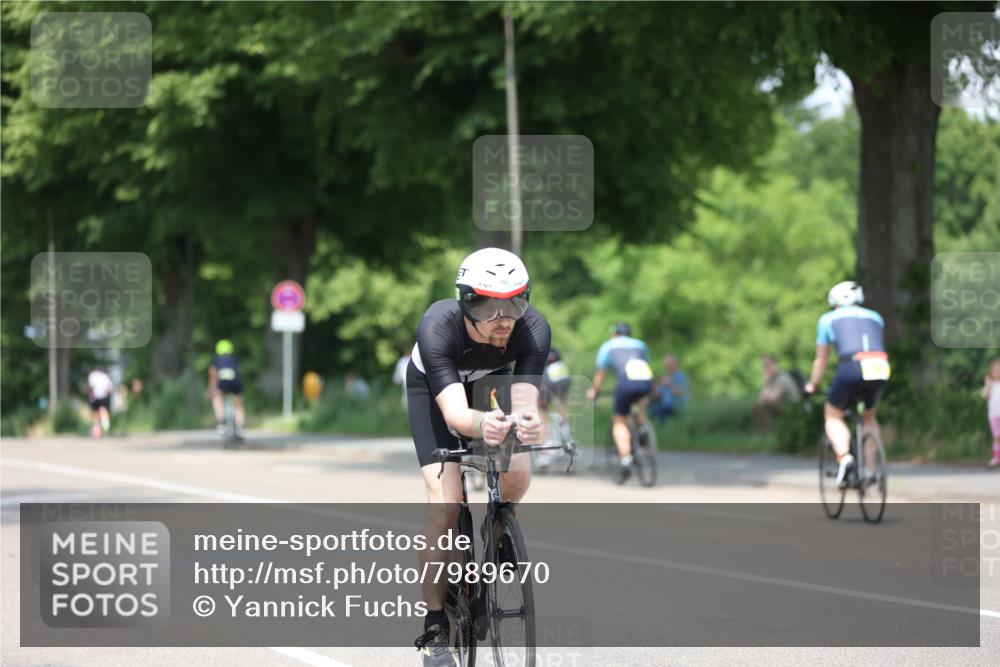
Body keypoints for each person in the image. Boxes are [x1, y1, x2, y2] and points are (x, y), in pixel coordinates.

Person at [407, 247, 550, 666]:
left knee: (518, 469)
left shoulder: (533, 329)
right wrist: (483, 423)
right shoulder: (438, 327)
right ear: (467, 301)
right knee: (446, 503)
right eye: (488, 306)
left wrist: (529, 423)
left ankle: (500, 526)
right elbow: (455, 415)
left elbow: (525, 402)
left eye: (514, 304)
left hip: (489, 383)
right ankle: (435, 625)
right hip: (436, 392)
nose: (502, 318)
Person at [804, 281, 890, 487]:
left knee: (833, 414)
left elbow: (821, 360)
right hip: (880, 365)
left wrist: (812, 385)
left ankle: (845, 458)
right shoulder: (876, 317)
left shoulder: (828, 319)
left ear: (836, 303)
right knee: (869, 416)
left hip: (852, 365)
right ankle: (870, 469)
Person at [586, 323, 654, 482]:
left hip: (626, 383)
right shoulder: (641, 345)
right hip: (646, 382)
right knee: (641, 401)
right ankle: (642, 428)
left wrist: (595, 391)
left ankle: (626, 458)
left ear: (615, 334)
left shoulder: (608, 346)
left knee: (619, 421)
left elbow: (601, 374)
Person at [536, 348, 572, 469]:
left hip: (547, 379)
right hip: (563, 378)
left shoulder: (536, 349)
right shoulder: (555, 351)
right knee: (562, 403)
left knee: (543, 415)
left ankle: (544, 456)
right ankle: (566, 429)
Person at [753, 356, 802, 430]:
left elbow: (771, 400)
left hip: (793, 410)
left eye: (768, 365)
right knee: (757, 408)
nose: (766, 368)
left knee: (762, 408)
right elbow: (760, 400)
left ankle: (770, 431)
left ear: (776, 365)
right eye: (764, 366)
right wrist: (766, 384)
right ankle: (768, 431)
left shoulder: (782, 378)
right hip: (783, 408)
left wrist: (766, 385)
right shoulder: (772, 380)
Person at [208, 339, 245, 437]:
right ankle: (239, 428)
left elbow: (213, 375)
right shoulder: (235, 359)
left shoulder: (216, 360)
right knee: (239, 405)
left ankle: (221, 424)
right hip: (236, 383)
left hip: (222, 383)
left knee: (217, 399)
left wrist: (212, 389)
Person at [651, 354, 689, 424]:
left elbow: (680, 392)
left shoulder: (681, 376)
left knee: (662, 407)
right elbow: (659, 393)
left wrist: (669, 384)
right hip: (663, 406)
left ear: (675, 364)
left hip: (676, 405)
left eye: (670, 365)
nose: (668, 368)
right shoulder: (666, 376)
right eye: (666, 366)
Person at [86, 365, 114, 438]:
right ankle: (105, 426)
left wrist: (89, 394)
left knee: (95, 413)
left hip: (95, 397)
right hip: (104, 396)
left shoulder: (92, 375)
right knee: (104, 411)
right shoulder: (105, 376)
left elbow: (90, 386)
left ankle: (97, 429)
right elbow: (110, 389)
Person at [982, 357, 1000, 467]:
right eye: (995, 370)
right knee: (996, 436)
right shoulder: (991, 383)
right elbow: (986, 396)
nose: (997, 372)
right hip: (993, 414)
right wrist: (988, 385)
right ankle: (997, 457)